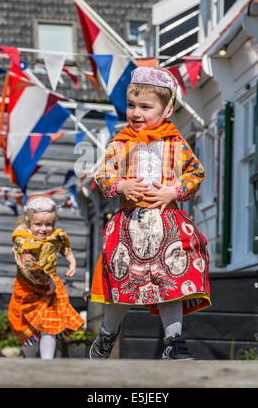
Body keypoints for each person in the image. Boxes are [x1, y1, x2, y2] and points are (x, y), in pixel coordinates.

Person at [89, 66, 211, 360]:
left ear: (167, 109)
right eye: (132, 105)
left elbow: (196, 172)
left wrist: (174, 191)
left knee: (173, 279)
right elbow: (102, 174)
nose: (137, 112)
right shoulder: (120, 144)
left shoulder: (176, 143)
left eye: (146, 106)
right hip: (128, 225)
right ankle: (108, 332)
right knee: (122, 282)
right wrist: (120, 184)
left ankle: (173, 342)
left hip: (167, 222)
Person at [8, 194, 84, 359]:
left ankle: (47, 363)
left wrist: (72, 262)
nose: (43, 229)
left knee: (50, 326)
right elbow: (28, 264)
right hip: (28, 290)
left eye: (48, 224)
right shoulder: (23, 240)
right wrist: (46, 279)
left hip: (51, 290)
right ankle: (29, 359)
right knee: (29, 335)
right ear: (28, 223)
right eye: (38, 224)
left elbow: (64, 248)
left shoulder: (55, 236)